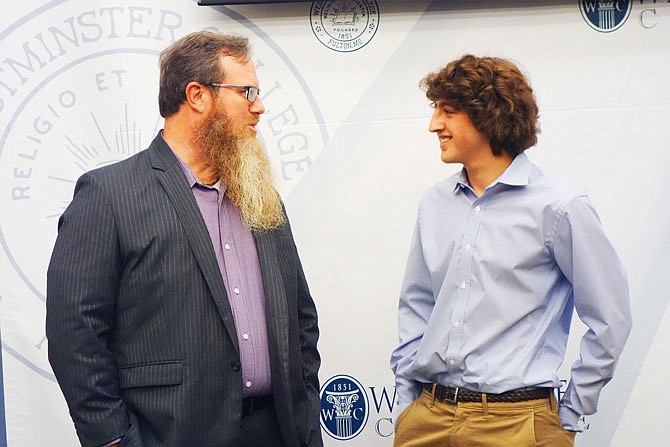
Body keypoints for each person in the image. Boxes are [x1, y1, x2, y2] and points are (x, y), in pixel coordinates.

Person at [46, 31, 322, 447]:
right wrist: (114, 439)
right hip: (171, 434)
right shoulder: (109, 194)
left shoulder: (261, 197)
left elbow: (301, 319)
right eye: (246, 92)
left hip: (276, 431)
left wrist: (305, 419)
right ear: (197, 95)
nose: (259, 107)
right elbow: (75, 336)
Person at [390, 55, 632, 447]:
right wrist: (406, 406)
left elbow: (611, 318)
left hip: (517, 427)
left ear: (488, 117)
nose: (434, 124)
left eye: (448, 111)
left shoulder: (560, 207)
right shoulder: (434, 203)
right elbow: (416, 306)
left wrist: (569, 414)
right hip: (427, 420)